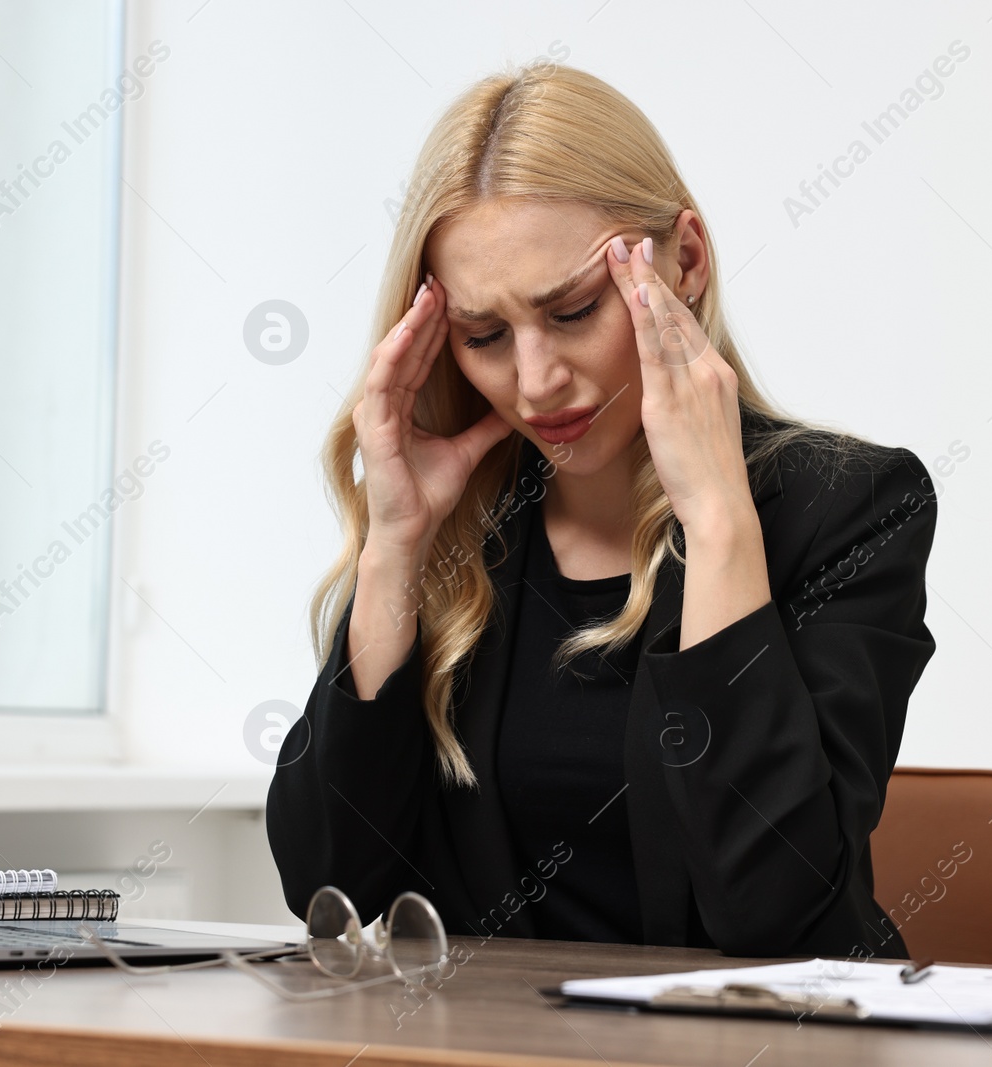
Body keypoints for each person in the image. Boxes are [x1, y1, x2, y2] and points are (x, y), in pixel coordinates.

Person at [265, 60, 938, 960]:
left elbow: (776, 914)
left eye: (575, 311)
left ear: (685, 261)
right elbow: (330, 884)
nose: (536, 381)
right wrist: (394, 546)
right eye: (485, 336)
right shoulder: (467, 526)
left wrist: (718, 521)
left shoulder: (848, 507)